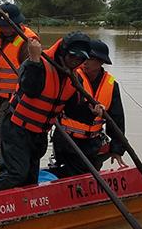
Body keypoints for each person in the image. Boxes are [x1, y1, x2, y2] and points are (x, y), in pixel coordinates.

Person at [0, 31, 104, 193]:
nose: (75, 61)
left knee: (29, 181)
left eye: (80, 58)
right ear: (63, 52)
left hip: (38, 135)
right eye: (72, 56)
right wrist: (34, 60)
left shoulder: (74, 78)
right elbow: (30, 89)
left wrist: (93, 112)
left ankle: (23, 213)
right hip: (16, 129)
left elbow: (72, 110)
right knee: (15, 174)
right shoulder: (35, 63)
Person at [52, 39, 127, 177]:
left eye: (90, 59)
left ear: (101, 62)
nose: (84, 62)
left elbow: (117, 119)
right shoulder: (72, 78)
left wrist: (117, 149)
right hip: (67, 141)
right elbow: (68, 108)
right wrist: (89, 112)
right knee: (74, 174)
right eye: (83, 57)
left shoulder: (111, 85)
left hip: (92, 143)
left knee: (89, 175)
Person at [0, 3, 39, 150]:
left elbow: (34, 77)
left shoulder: (27, 43)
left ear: (18, 24)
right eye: (2, 26)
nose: (5, 29)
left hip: (17, 100)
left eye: (8, 26)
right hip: (0, 99)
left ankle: (2, 166)